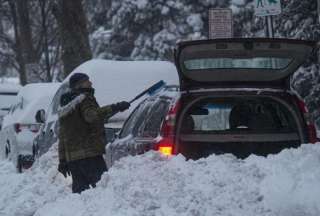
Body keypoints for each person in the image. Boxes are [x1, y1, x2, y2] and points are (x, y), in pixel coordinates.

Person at [57, 73, 130, 193]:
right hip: (90, 155)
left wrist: (63, 160)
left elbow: (63, 135)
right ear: (79, 85)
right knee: (103, 190)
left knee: (80, 196)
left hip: (73, 160)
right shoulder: (84, 98)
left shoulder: (65, 107)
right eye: (87, 81)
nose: (90, 83)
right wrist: (114, 107)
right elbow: (91, 116)